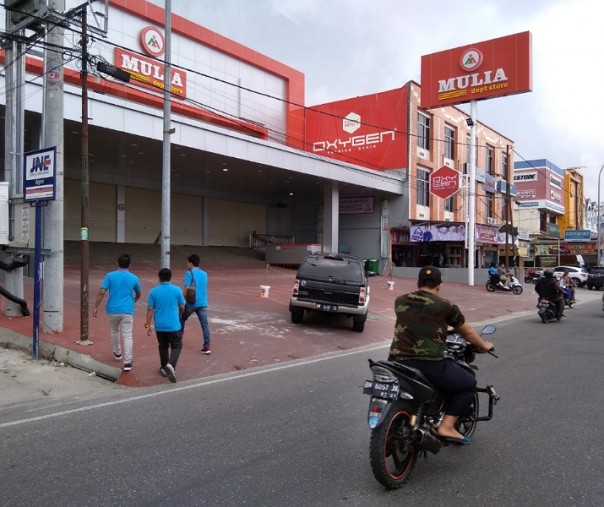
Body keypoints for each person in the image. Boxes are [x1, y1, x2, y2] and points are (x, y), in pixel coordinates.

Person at [388, 266, 494, 445]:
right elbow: (467, 331)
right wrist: (484, 345)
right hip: (428, 364)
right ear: (439, 286)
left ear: (418, 282)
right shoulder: (446, 306)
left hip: (397, 361)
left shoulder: (400, 301)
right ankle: (446, 426)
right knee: (468, 383)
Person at [93, 253, 142, 371]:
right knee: (128, 335)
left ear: (117, 264)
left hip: (112, 309)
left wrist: (96, 306)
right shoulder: (134, 278)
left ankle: (117, 352)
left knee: (114, 330)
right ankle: (128, 362)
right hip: (127, 310)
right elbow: (138, 292)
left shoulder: (110, 276)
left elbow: (101, 292)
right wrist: (135, 299)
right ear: (129, 265)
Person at [145, 268, 185, 383]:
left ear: (159, 278)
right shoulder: (177, 290)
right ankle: (171, 366)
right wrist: (179, 316)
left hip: (160, 325)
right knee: (177, 345)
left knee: (163, 346)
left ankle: (163, 368)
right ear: (170, 277)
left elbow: (150, 309)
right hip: (173, 324)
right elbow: (182, 306)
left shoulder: (153, 292)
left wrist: (147, 324)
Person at [181, 254, 212, 354]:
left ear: (191, 263)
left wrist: (181, 300)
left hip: (192, 302)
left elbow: (186, 288)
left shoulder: (189, 274)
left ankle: (177, 340)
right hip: (203, 302)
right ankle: (206, 346)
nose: (187, 264)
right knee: (204, 325)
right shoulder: (204, 274)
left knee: (181, 318)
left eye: (188, 262)